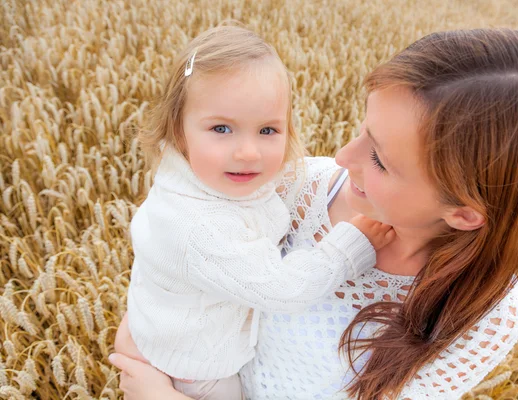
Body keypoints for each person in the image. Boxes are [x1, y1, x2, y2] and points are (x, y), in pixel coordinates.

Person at [110, 28, 518, 399]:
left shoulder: (485, 316)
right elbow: (180, 256)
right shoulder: (300, 187)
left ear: (463, 214)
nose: (341, 156)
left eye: (379, 158)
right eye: (363, 129)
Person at [120, 25, 394, 400]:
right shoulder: (199, 227)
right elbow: (283, 290)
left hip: (161, 333)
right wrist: (348, 246)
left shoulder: (205, 174)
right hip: (194, 371)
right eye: (221, 128)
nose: (248, 152)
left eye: (267, 130)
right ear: (177, 131)